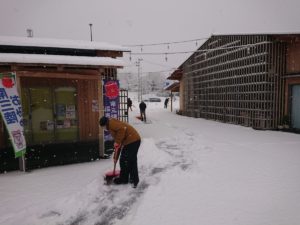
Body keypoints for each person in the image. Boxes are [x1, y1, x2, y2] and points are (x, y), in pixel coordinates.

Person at [99, 116, 141, 188]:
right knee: (129, 160)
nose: (104, 129)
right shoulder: (111, 126)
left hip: (132, 140)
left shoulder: (111, 123)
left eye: (103, 127)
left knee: (126, 160)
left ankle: (126, 179)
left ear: (106, 123)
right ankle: (132, 179)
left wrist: (117, 142)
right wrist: (116, 157)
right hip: (132, 140)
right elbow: (118, 144)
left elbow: (122, 129)